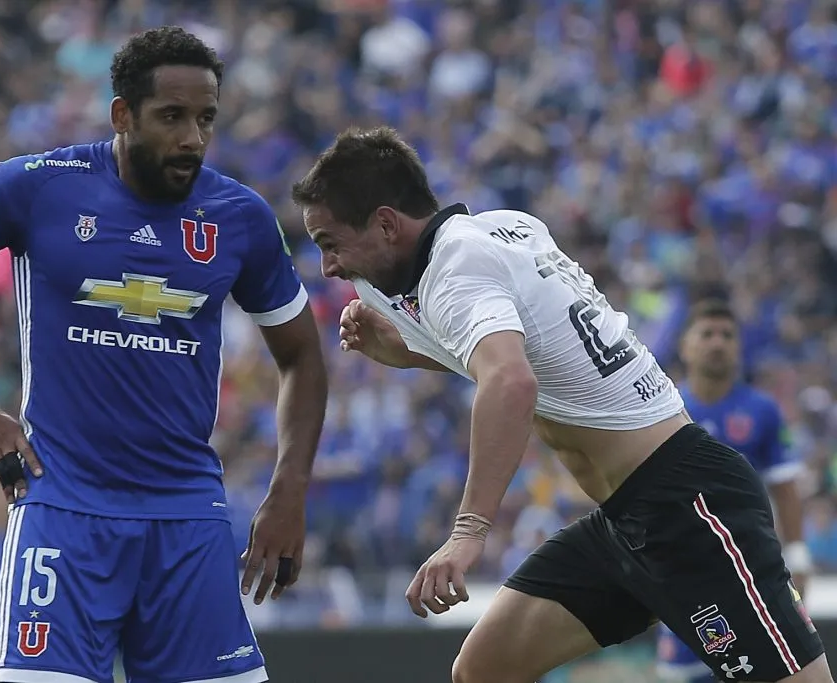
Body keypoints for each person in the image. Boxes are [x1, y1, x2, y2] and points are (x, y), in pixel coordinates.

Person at [291, 126, 829, 683]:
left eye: (330, 243)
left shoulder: (455, 267)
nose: (328, 267)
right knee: (483, 670)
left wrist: (469, 530)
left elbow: (511, 382)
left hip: (687, 504)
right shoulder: (503, 228)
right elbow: (527, 355)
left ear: (385, 223)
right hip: (627, 520)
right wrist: (407, 351)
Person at [0, 27, 327, 683]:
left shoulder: (240, 216)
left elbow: (302, 355)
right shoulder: (36, 186)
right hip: (63, 507)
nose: (192, 138)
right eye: (171, 117)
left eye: (205, 118)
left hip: (187, 516)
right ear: (122, 114)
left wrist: (289, 489)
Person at [657, 299, 813, 683]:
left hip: (752, 569)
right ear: (685, 346)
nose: (718, 342)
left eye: (727, 335)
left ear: (739, 347)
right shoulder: (662, 409)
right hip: (683, 571)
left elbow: (785, 485)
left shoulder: (763, 410)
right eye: (707, 334)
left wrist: (797, 552)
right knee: (685, 673)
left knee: (767, 668)